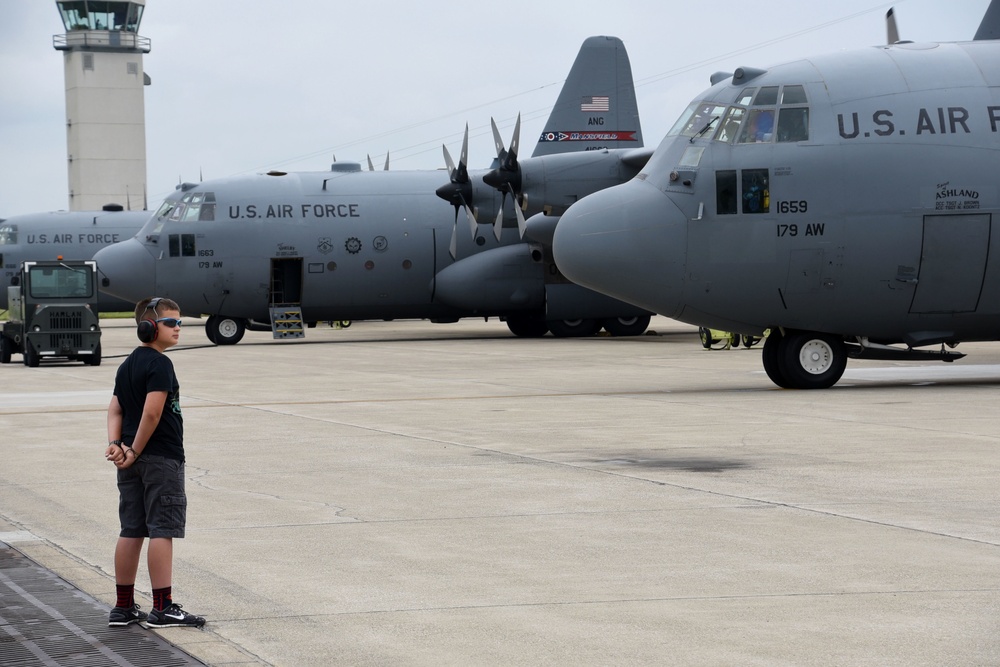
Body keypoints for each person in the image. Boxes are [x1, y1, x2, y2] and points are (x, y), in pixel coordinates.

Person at [105, 297, 206, 628]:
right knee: (163, 528)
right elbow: (152, 412)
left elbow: (115, 409)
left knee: (131, 528)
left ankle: (123, 607)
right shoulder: (160, 364)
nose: (178, 328)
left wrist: (116, 445)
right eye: (171, 323)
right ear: (148, 328)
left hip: (132, 459)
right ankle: (162, 607)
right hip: (161, 457)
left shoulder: (127, 364)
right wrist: (133, 449)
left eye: (179, 323)